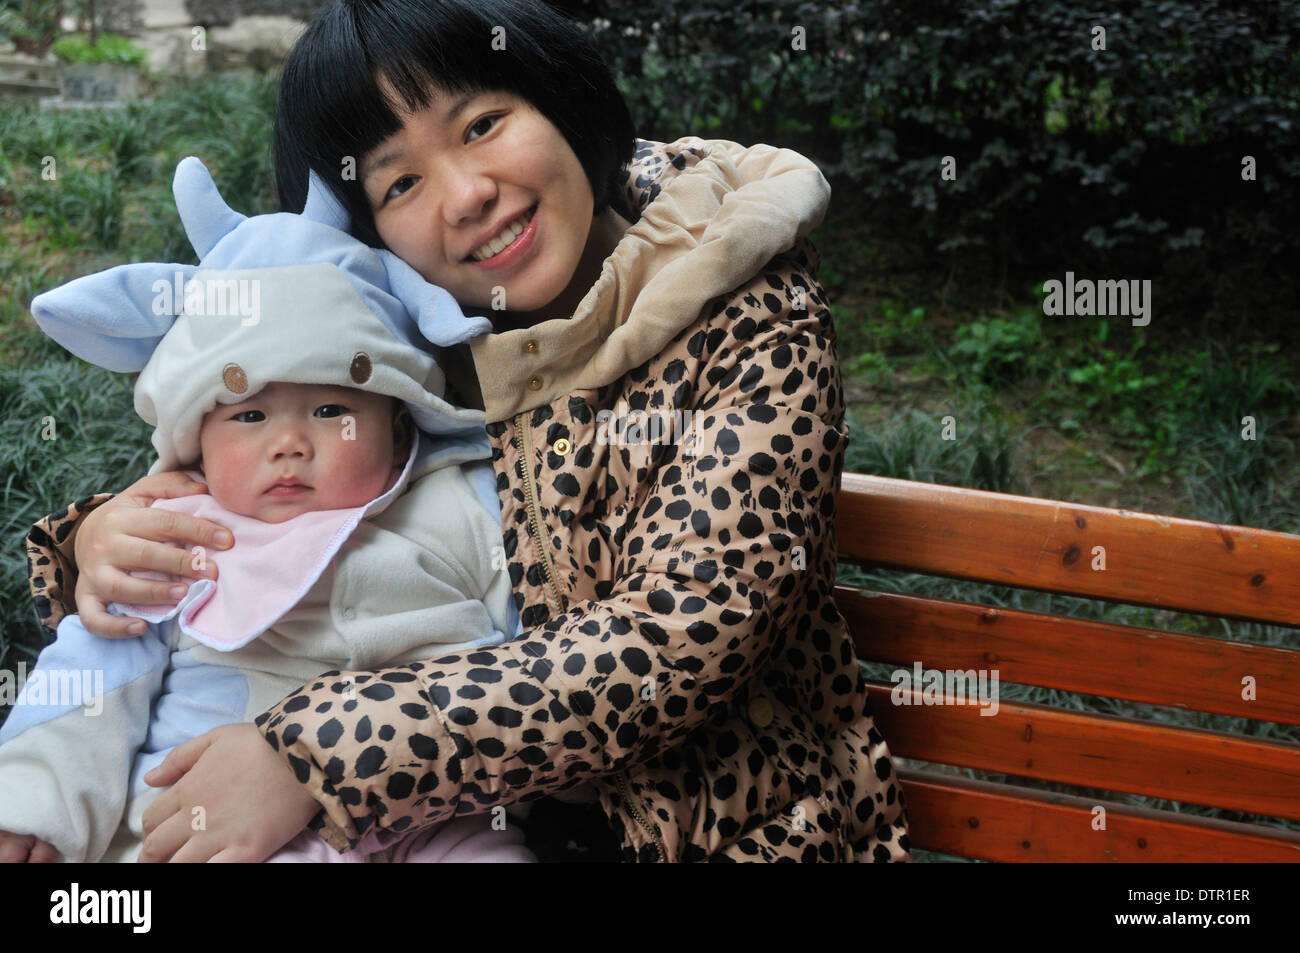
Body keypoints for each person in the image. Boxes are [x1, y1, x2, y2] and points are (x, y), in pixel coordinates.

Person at [24, 0, 912, 862]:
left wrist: (317, 758)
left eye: (482, 124)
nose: (467, 195)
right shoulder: (411, 325)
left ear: (558, 95)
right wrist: (106, 539)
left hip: (720, 827)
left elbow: (683, 634)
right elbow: (274, 476)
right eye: (399, 181)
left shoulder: (747, 306)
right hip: (446, 822)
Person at [0, 156, 534, 863]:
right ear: (195, 438)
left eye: (329, 408)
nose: (288, 443)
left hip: (426, 804)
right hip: (206, 813)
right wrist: (32, 806)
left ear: (401, 419)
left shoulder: (466, 500)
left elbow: (548, 646)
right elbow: (93, 677)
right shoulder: (174, 531)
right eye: (248, 415)